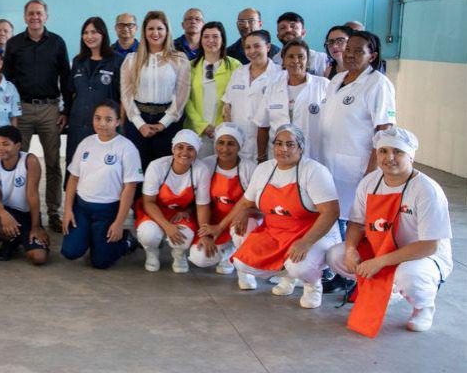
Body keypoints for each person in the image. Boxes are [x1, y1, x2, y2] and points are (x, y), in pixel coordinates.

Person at [326, 127, 452, 334]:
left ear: (410, 155)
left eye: (398, 152)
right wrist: (350, 249)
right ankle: (384, 287)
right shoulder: (370, 182)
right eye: (383, 151)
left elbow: (429, 245)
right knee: (336, 255)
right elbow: (356, 223)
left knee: (410, 276)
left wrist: (379, 262)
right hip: (381, 246)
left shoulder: (426, 190)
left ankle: (423, 306)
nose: (389, 157)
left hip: (420, 256)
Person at [226, 124, 341, 308]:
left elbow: (331, 212)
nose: (283, 149)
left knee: (299, 266)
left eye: (290, 144)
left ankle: (312, 285)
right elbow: (246, 202)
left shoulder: (314, 171)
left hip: (313, 232)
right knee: (242, 263)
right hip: (277, 231)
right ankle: (288, 277)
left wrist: (306, 242)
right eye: (278, 143)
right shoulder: (264, 170)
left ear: (301, 148)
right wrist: (243, 213)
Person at [4, 0, 71, 231]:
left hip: (49, 110)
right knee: (17, 164)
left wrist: (66, 110)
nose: (35, 17)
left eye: (39, 13)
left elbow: (66, 77)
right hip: (21, 110)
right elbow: (7, 81)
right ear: (24, 17)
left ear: (46, 16)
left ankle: (53, 213)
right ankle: (22, 213)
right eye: (31, 14)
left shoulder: (57, 43)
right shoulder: (13, 44)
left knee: (53, 163)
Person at [320, 31, 395, 234]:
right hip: (329, 162)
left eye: (358, 51)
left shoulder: (378, 84)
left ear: (372, 56)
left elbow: (384, 130)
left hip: (357, 166)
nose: (350, 54)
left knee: (351, 217)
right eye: (348, 49)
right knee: (330, 214)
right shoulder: (337, 80)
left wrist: (371, 172)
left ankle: (343, 261)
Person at [61, 100, 142, 269]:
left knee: (101, 262)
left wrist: (119, 223)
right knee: (70, 252)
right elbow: (73, 178)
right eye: (97, 118)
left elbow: (130, 188)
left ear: (118, 121)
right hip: (82, 208)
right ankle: (92, 237)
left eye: (108, 119)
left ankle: (126, 241)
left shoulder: (127, 148)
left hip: (107, 210)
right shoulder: (86, 143)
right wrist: (68, 210)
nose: (102, 124)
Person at [120, 10, 191, 170]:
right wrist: (140, 124)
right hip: (137, 122)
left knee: (164, 171)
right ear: (144, 32)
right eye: (151, 28)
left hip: (168, 122)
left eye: (160, 28)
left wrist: (163, 124)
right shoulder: (131, 60)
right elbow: (126, 95)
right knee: (137, 171)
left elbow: (182, 96)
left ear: (167, 31)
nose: (155, 33)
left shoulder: (179, 59)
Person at [134, 129, 210, 273]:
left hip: (181, 213)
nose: (184, 153)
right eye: (180, 147)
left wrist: (204, 234)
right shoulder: (157, 166)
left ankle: (179, 254)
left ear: (197, 152)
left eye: (190, 148)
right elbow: (148, 202)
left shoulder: (201, 170)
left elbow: (202, 206)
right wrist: (167, 226)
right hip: (155, 210)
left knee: (185, 237)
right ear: (173, 149)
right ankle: (151, 252)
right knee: (148, 234)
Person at [191, 123, 258, 279]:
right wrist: (205, 233)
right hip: (213, 221)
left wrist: (245, 212)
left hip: (243, 219)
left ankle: (245, 270)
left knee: (243, 231)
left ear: (239, 146)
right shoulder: (206, 165)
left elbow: (258, 206)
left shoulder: (250, 168)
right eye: (221, 143)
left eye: (231, 144)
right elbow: (201, 203)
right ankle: (228, 252)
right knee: (199, 258)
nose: (225, 149)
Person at [0, 126, 49, 264]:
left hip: (28, 214)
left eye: (6, 144)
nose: (0, 148)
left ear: (18, 145)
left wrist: (35, 226)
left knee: (39, 258)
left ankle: (24, 237)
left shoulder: (30, 161)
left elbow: (33, 196)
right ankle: (11, 240)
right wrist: (5, 215)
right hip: (8, 213)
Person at [255, 39, 328, 162]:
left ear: (308, 60)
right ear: (283, 60)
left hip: (311, 156)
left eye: (301, 57)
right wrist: (261, 157)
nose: (296, 61)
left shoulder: (323, 85)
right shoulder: (273, 88)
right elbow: (263, 126)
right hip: (278, 157)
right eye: (290, 56)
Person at [65, 16, 123, 166]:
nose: (89, 36)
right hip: (79, 125)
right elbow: (71, 91)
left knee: (102, 168)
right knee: (76, 166)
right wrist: (65, 113)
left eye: (94, 32)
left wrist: (121, 121)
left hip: (104, 126)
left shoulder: (116, 61)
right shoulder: (78, 61)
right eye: (85, 32)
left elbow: (123, 96)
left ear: (103, 34)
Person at [184, 21, 242, 157]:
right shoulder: (190, 67)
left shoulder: (235, 66)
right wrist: (202, 126)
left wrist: (222, 127)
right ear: (200, 40)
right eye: (206, 36)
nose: (211, 40)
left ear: (222, 40)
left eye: (215, 36)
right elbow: (185, 100)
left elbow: (237, 99)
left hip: (224, 132)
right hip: (196, 131)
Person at [221, 30, 282, 160]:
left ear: (268, 47)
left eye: (257, 46)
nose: (252, 51)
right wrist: (230, 136)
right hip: (239, 145)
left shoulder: (280, 75)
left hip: (268, 146)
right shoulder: (238, 73)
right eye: (247, 47)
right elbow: (227, 107)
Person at [271, 12, 329, 76]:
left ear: (303, 33)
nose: (288, 30)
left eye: (293, 26)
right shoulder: (274, 61)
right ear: (278, 35)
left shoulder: (319, 58)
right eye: (282, 28)